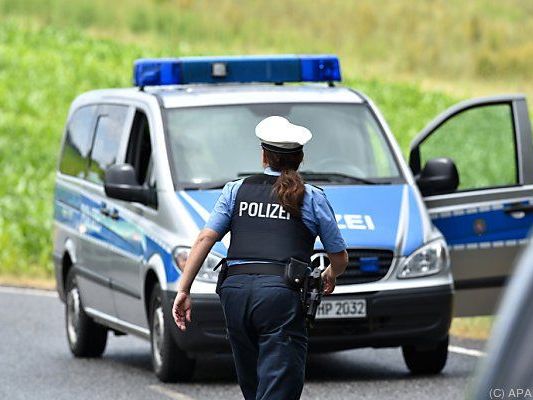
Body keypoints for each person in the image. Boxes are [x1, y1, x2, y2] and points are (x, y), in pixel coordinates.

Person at [173, 116, 349, 400]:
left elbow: (205, 238)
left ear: (264, 156)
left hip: (235, 294)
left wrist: (184, 289)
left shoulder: (236, 190)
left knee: (253, 387)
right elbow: (339, 258)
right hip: (280, 297)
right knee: (279, 388)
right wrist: (329, 274)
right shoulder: (313, 197)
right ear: (300, 158)